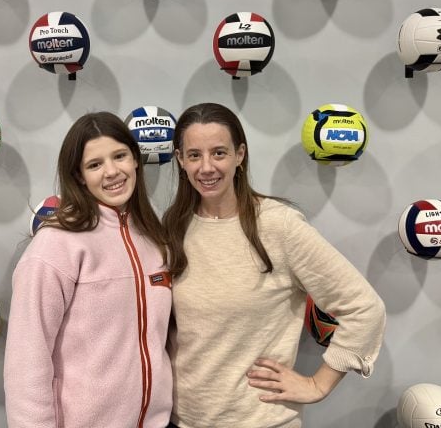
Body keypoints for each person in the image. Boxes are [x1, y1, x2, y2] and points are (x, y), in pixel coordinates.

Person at [163, 103, 386, 428]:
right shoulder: (173, 227)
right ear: (181, 160)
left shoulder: (278, 225)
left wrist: (317, 384)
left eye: (219, 153)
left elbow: (366, 309)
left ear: (240, 155)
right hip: (182, 421)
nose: (206, 167)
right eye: (194, 155)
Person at [4, 111, 173, 428]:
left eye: (119, 156)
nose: (112, 172)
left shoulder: (156, 235)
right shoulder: (55, 245)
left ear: (135, 159)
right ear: (79, 176)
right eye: (95, 164)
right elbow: (27, 359)